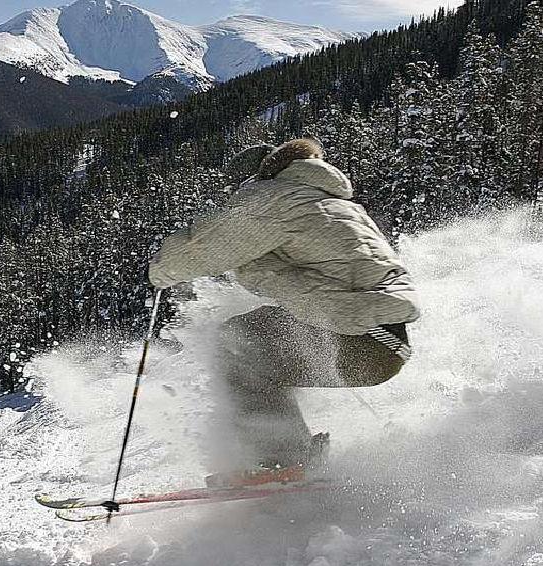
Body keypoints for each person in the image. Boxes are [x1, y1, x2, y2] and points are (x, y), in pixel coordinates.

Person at [148, 138, 420, 482]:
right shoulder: (328, 202)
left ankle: (285, 459)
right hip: (383, 344)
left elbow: (199, 250)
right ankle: (290, 454)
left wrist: (158, 271)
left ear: (255, 180)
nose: (232, 202)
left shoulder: (275, 200)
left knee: (238, 342)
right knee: (254, 337)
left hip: (361, 339)